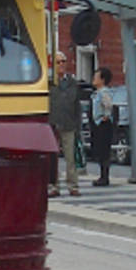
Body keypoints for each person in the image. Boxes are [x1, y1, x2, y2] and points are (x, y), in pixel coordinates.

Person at [48, 51, 81, 197]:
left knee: (70, 157)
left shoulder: (73, 82)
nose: (61, 65)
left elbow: (77, 105)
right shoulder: (49, 82)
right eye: (58, 62)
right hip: (53, 124)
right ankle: (54, 185)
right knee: (53, 157)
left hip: (69, 123)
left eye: (63, 61)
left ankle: (73, 185)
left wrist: (77, 125)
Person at [91, 66, 114, 187]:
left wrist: (106, 116)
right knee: (100, 150)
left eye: (96, 77)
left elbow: (108, 104)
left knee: (104, 150)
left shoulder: (104, 92)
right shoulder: (96, 93)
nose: (93, 79)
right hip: (98, 123)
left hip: (103, 124)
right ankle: (102, 175)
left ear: (102, 79)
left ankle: (104, 177)